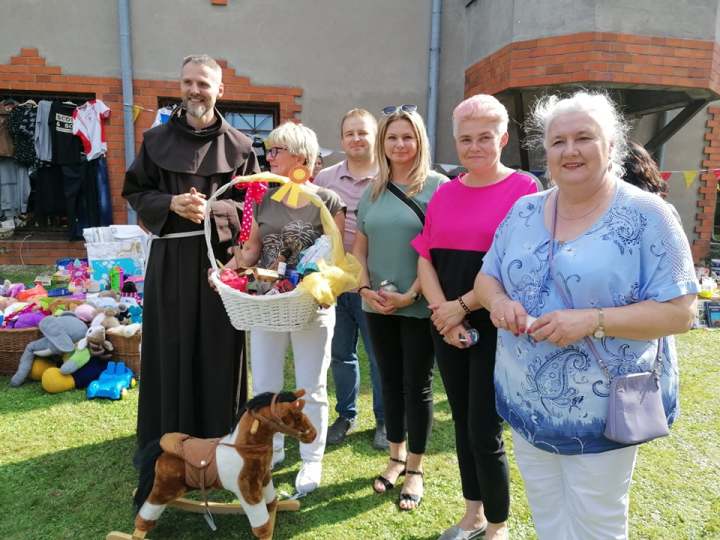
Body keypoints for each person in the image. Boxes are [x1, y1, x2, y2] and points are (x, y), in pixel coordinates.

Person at [474, 91, 698, 539]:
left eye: (584, 138)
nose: (570, 150)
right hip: (525, 401)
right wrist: (498, 303)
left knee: (597, 523)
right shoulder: (524, 210)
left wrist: (592, 320)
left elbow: (681, 312)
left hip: (603, 411)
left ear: (611, 145)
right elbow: (486, 277)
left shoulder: (648, 214)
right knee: (547, 514)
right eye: (558, 141)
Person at [123, 56, 259, 460]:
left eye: (203, 83)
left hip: (221, 265)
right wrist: (171, 203)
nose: (194, 90)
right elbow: (135, 192)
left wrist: (213, 210)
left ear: (220, 90)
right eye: (188, 82)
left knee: (219, 347)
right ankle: (166, 436)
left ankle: (219, 436)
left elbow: (253, 206)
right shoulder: (155, 141)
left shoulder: (240, 145)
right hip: (171, 261)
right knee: (171, 344)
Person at [414, 95, 537, 540]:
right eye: (466, 139)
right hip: (446, 325)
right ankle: (473, 514)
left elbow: (520, 266)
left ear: (503, 139)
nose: (475, 147)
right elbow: (425, 258)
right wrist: (444, 315)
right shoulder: (445, 191)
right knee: (464, 425)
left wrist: (461, 308)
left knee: (485, 429)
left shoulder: (525, 190)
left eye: (485, 137)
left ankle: (498, 525)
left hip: (496, 325)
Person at [228, 121, 346, 494]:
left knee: (312, 386)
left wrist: (323, 284)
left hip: (311, 304)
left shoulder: (327, 200)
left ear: (301, 156)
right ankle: (273, 448)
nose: (270, 157)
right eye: (270, 150)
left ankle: (311, 458)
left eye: (277, 150)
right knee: (266, 384)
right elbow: (251, 249)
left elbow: (337, 255)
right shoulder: (264, 199)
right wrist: (225, 272)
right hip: (267, 304)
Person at [354, 104, 447, 511]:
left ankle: (415, 469)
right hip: (378, 305)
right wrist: (363, 288)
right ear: (383, 142)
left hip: (419, 305)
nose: (400, 144)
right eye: (392, 137)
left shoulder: (438, 187)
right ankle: (395, 457)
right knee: (389, 381)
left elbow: (439, 250)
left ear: (419, 140)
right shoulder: (372, 190)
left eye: (407, 136)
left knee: (418, 385)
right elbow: (360, 247)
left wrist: (411, 294)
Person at [314, 108, 387, 449]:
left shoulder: (388, 176)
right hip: (335, 282)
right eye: (350, 133)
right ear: (342, 140)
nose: (356, 138)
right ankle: (346, 415)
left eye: (363, 132)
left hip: (375, 281)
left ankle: (385, 420)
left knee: (379, 355)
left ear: (375, 137)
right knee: (341, 354)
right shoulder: (325, 178)